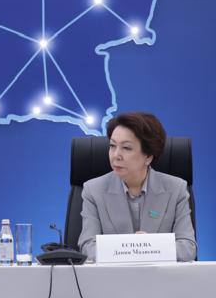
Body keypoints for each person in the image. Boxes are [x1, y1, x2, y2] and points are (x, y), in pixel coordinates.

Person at [78, 111, 196, 262]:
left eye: (126, 148)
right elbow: (87, 248)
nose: (116, 155)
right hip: (112, 276)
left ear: (148, 156)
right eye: (112, 146)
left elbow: (187, 248)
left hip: (160, 276)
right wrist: (133, 248)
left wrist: (149, 246)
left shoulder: (176, 189)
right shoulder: (93, 190)